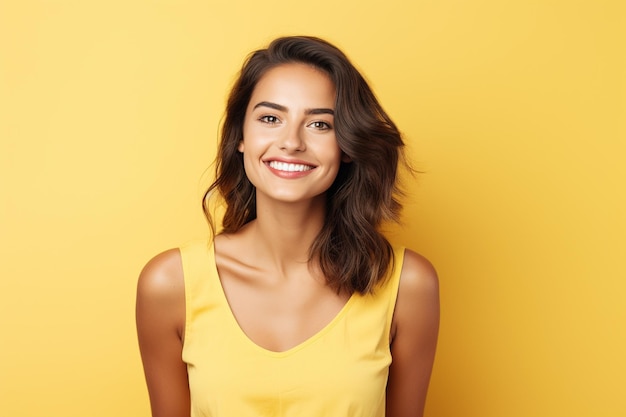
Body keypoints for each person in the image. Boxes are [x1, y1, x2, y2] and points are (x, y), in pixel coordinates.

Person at [136, 36, 439, 417]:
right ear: (241, 137)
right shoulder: (170, 284)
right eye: (270, 118)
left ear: (346, 145)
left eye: (319, 124)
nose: (292, 142)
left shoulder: (408, 284)